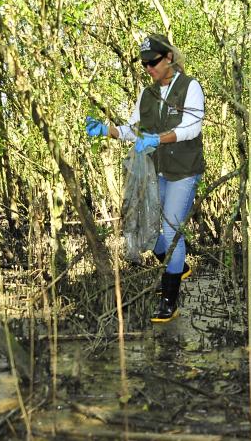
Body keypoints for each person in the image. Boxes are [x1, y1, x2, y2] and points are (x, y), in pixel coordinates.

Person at [85, 33, 205, 323]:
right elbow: (132, 129)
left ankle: (169, 300)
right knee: (148, 228)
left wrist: (159, 138)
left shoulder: (190, 87)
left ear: (169, 58)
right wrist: (106, 130)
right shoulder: (147, 94)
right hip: (156, 170)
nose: (149, 68)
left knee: (171, 229)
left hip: (184, 170)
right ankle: (178, 267)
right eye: (145, 64)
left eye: (153, 62)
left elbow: (192, 127)